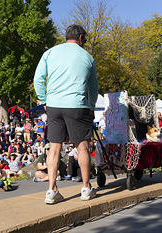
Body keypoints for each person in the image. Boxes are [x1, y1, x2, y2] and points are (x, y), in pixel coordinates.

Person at [34, 24, 99, 204]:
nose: (84, 43)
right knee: (82, 147)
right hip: (77, 105)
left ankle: (51, 190)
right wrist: (92, 106)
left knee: (54, 147)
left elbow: (38, 79)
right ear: (79, 38)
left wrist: (43, 100)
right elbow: (93, 87)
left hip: (54, 104)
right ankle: (86, 187)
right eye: (84, 40)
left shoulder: (50, 53)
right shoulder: (88, 57)